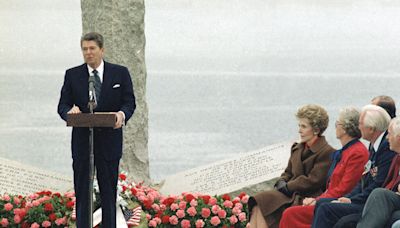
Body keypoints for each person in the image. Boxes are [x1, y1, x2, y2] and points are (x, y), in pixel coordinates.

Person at [57, 32, 136, 228]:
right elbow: (63, 105)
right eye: (84, 49)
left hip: (109, 143)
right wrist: (69, 111)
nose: (88, 53)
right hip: (83, 144)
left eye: (92, 49)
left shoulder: (120, 73)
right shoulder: (72, 74)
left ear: (102, 49)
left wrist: (121, 115)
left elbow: (129, 102)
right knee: (82, 193)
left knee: (108, 192)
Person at [279, 107, 369, 228]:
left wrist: (317, 200)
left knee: (290, 214)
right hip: (327, 199)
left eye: (338, 123)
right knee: (288, 211)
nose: (335, 126)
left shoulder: (357, 152)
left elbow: (344, 188)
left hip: (337, 203)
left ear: (346, 129)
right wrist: (316, 199)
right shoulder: (346, 151)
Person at [248, 104, 335, 228]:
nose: (299, 130)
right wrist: (282, 181)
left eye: (303, 126)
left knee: (264, 202)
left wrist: (288, 186)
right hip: (289, 193)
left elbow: (313, 180)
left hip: (307, 196)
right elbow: (288, 172)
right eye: (299, 126)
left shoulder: (327, 152)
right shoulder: (297, 148)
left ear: (316, 129)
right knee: (258, 202)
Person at [311, 104, 395, 228]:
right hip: (362, 198)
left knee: (326, 209)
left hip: (370, 203)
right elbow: (363, 181)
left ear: (371, 129)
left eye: (360, 124)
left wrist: (353, 200)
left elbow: (377, 184)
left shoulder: (386, 149)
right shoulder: (373, 146)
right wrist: (348, 198)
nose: (358, 126)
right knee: (322, 203)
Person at [356, 117, 400, 228]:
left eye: (389, 134)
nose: (387, 138)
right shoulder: (396, 158)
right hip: (392, 199)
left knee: (379, 194)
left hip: (391, 201)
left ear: (399, 138)